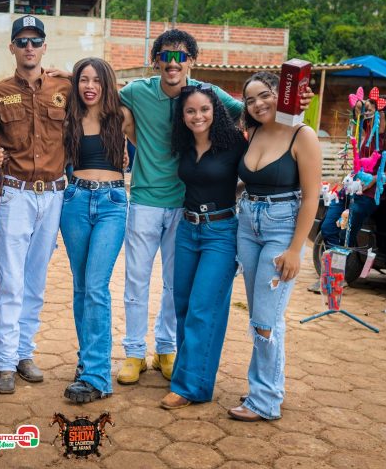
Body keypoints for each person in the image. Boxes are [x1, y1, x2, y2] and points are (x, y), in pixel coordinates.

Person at [116, 29, 244, 385]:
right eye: (166, 56)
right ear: (156, 60)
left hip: (186, 205)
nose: (174, 63)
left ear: (191, 61)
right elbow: (102, 97)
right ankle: (133, 353)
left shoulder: (206, 94)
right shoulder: (138, 91)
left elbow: (247, 112)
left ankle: (166, 348)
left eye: (181, 56)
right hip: (144, 199)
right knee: (136, 280)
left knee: (176, 284)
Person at [0, 15, 71, 394]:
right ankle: (3, 361)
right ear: (12, 47)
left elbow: (103, 88)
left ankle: (23, 354)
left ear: (45, 46)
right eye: (22, 41)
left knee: (35, 280)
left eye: (36, 41)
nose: (29, 47)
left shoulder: (65, 87)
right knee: (11, 281)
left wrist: (77, 70)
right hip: (15, 193)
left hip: (55, 194)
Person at [231, 71, 321, 421]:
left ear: (281, 95)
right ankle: (267, 387)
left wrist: (297, 249)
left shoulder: (303, 135)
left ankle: (265, 401)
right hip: (247, 224)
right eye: (251, 99)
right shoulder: (252, 132)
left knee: (265, 320)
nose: (258, 104)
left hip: (282, 228)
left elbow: (312, 197)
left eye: (265, 95)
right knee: (260, 317)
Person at [160, 83, 248, 410]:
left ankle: (189, 386)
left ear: (216, 111)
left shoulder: (234, 144)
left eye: (204, 109)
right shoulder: (183, 145)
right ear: (182, 116)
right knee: (181, 304)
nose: (198, 116)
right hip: (187, 229)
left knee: (202, 308)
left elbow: (254, 174)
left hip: (221, 233)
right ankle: (192, 375)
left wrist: (232, 196)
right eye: (191, 111)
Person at [60, 57, 135, 403]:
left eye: (96, 80)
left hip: (112, 205)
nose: (89, 86)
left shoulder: (122, 116)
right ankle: (86, 362)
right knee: (81, 288)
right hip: (74, 200)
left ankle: (97, 376)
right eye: (82, 80)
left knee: (95, 287)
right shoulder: (68, 117)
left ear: (107, 83)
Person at [320, 95, 386, 249]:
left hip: (368, 194)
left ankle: (341, 267)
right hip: (350, 187)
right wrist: (361, 104)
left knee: (345, 235)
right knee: (328, 228)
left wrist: (376, 178)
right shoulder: (367, 127)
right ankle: (334, 264)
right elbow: (357, 111)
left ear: (380, 113)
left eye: (369, 110)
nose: (365, 113)